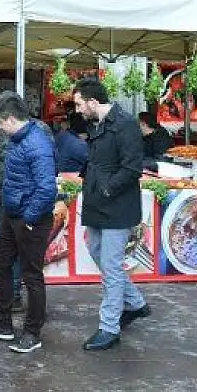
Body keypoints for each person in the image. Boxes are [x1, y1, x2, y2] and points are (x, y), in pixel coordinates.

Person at [0, 91, 56, 354]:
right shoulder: (19, 140)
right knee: (1, 263)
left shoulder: (37, 143)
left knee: (32, 276)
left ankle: (33, 332)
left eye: (0, 121)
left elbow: (46, 189)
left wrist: (30, 218)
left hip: (30, 218)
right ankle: (3, 323)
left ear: (10, 119)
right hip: (12, 213)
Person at [73, 78, 150, 351]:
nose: (78, 110)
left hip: (116, 206)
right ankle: (137, 304)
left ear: (93, 102)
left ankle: (109, 328)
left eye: (80, 104)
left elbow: (132, 168)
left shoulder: (126, 124)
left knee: (111, 266)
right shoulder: (97, 124)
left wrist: (107, 189)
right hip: (98, 204)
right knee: (96, 252)